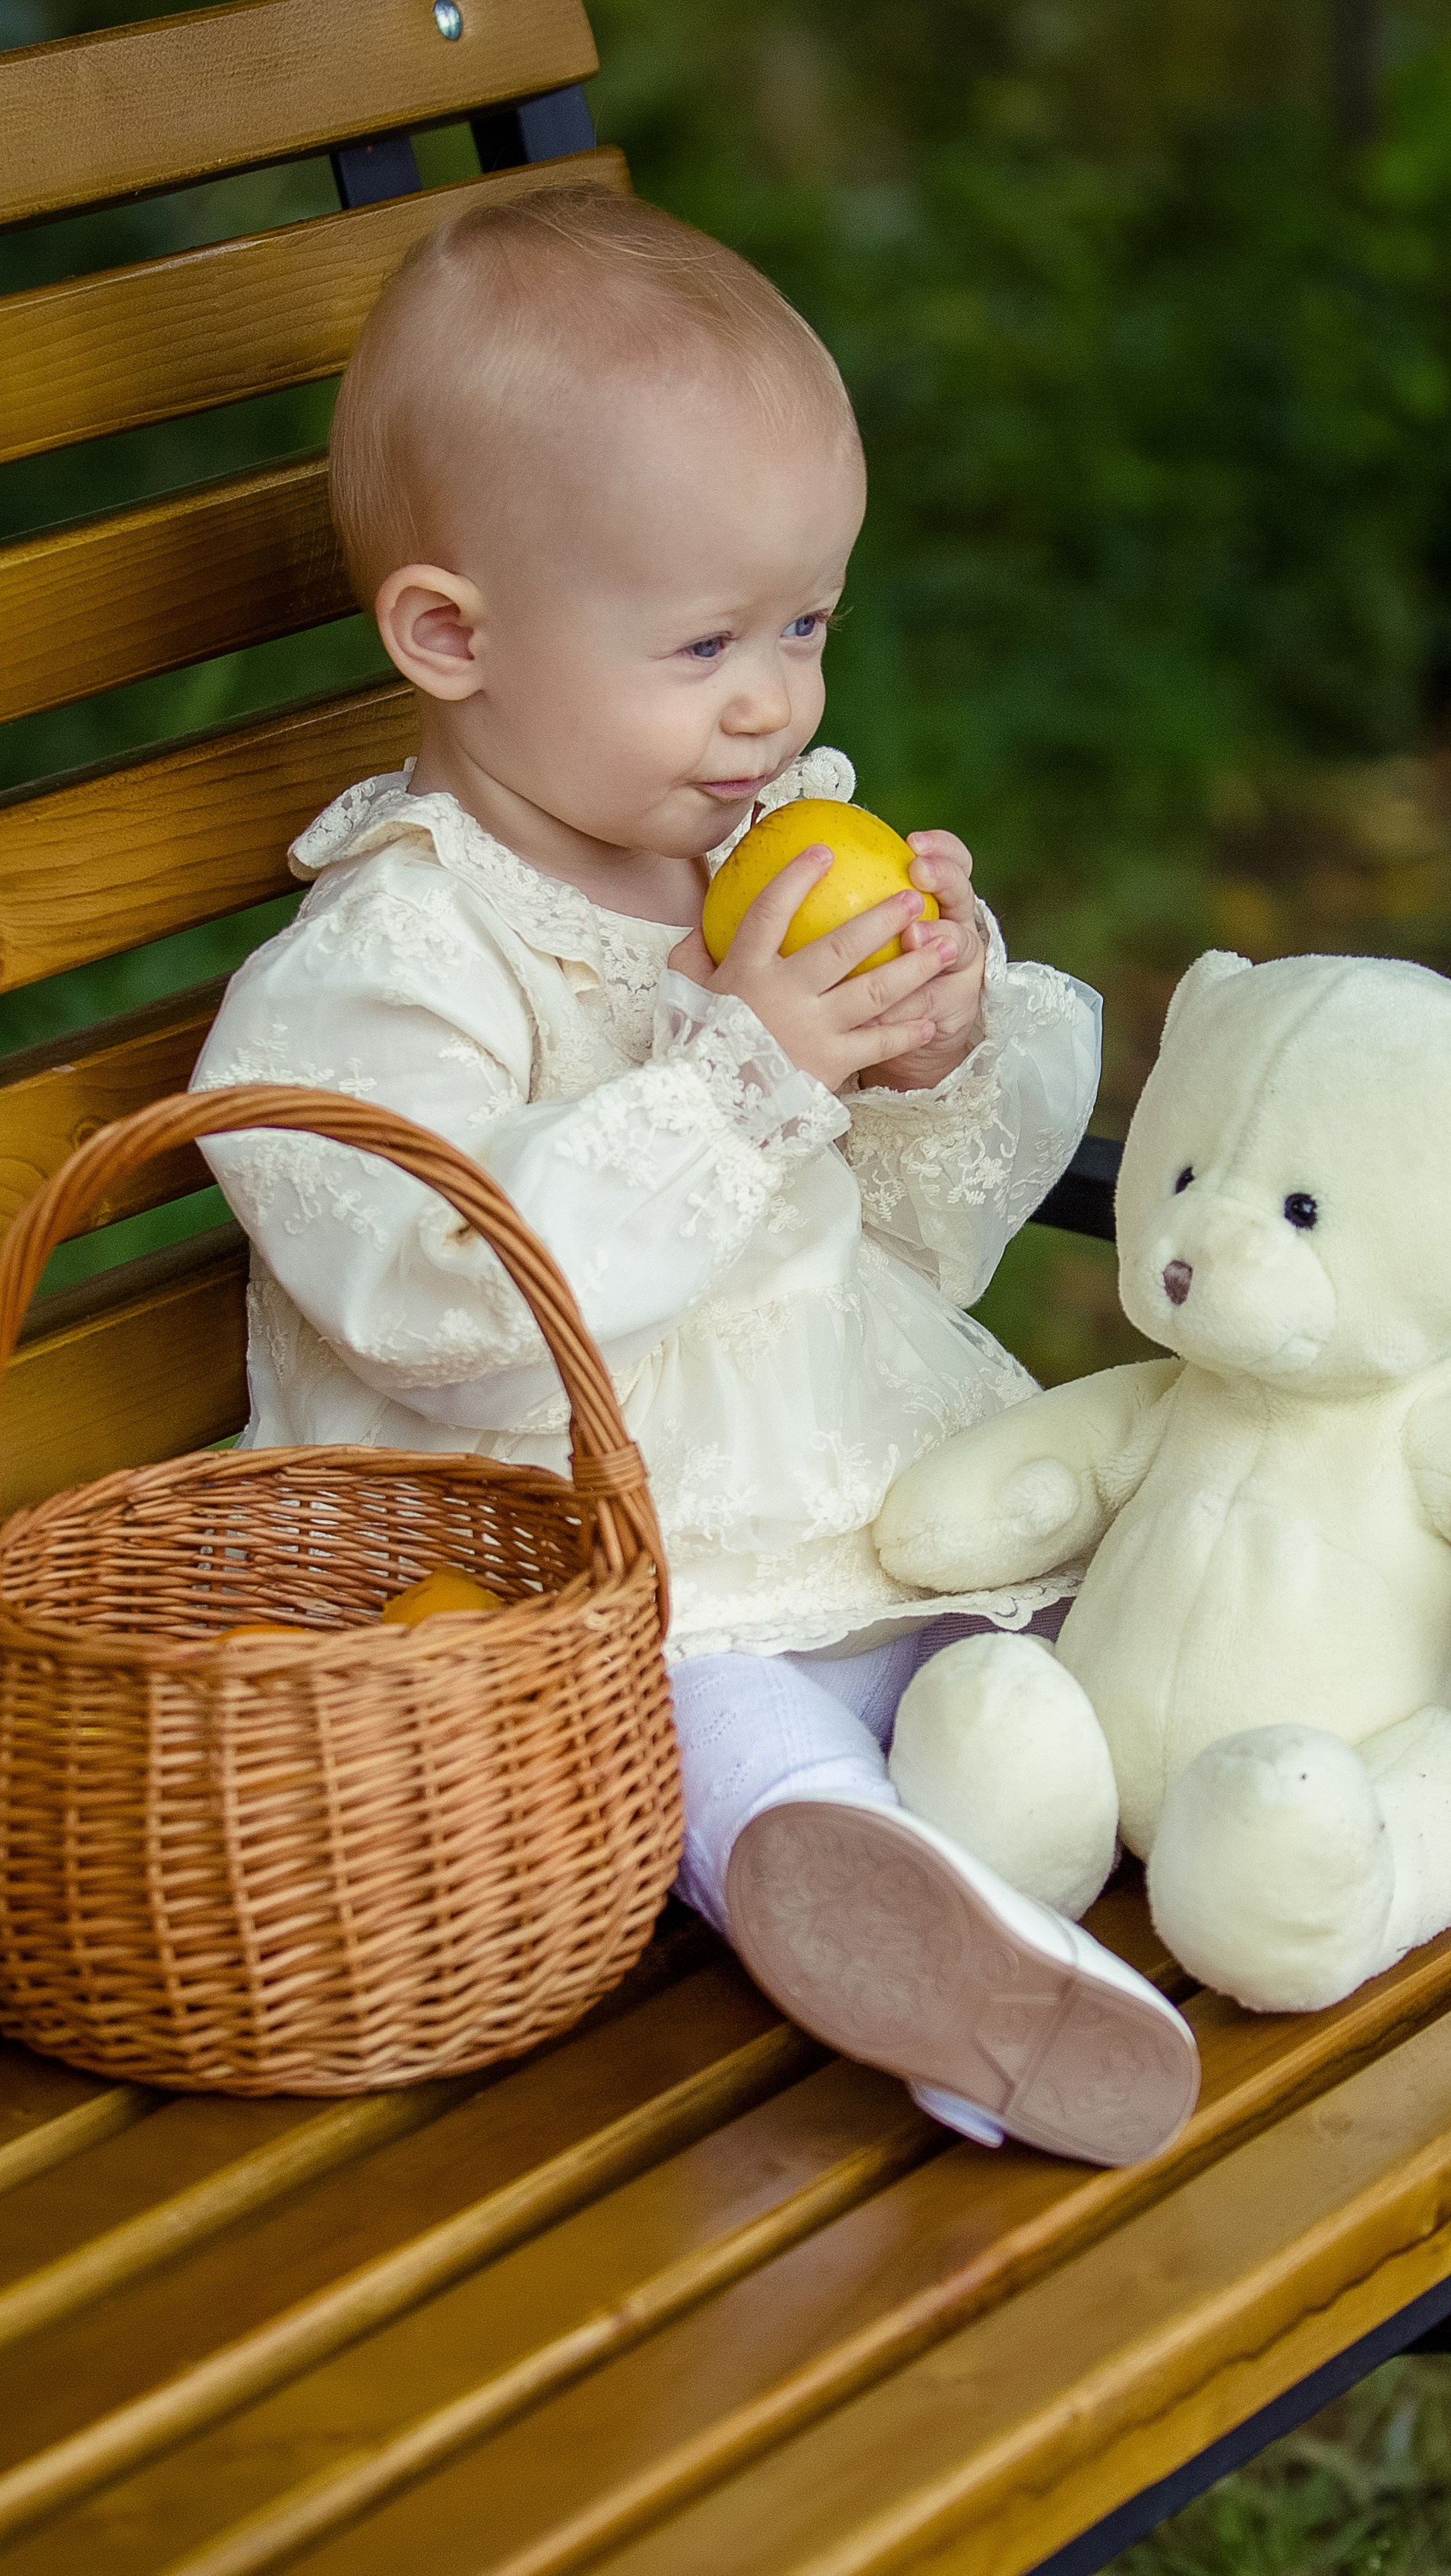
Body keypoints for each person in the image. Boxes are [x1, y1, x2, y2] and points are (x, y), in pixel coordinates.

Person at [192, 185, 1198, 2166]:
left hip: (867, 1490)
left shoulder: (753, 855)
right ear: (452, 635)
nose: (776, 701)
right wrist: (740, 1077)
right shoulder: (389, 966)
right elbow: (444, 1299)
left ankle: (1159, 1834)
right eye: (705, 641)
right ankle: (871, 1910)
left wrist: (926, 1044)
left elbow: (906, 1234)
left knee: (1055, 1658)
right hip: (604, 1569)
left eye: (806, 623)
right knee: (728, 1732)